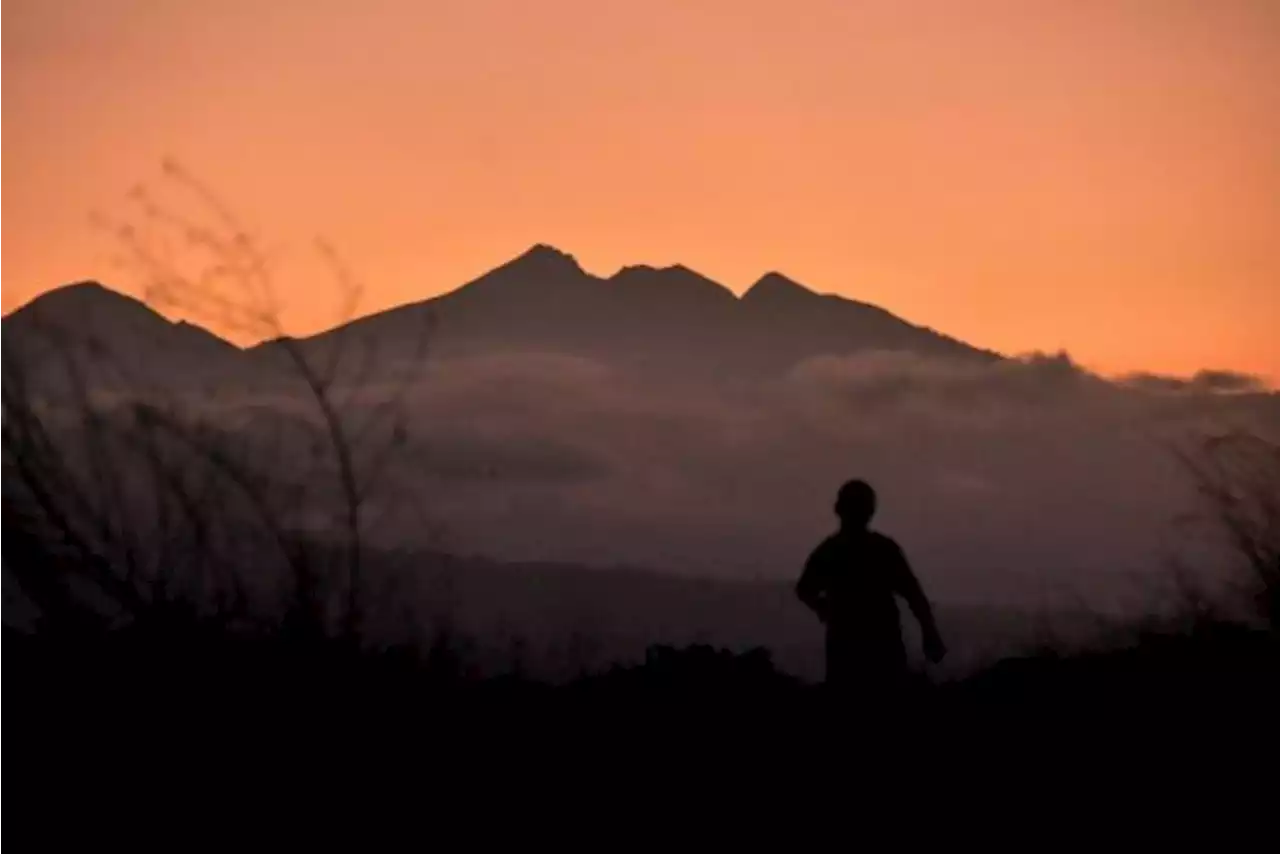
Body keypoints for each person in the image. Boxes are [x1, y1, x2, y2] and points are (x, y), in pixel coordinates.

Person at [796, 479, 946, 697]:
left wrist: (822, 607)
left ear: (839, 510)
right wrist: (930, 633)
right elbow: (914, 596)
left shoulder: (831, 550)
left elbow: (804, 590)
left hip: (852, 647)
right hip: (876, 647)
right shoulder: (882, 549)